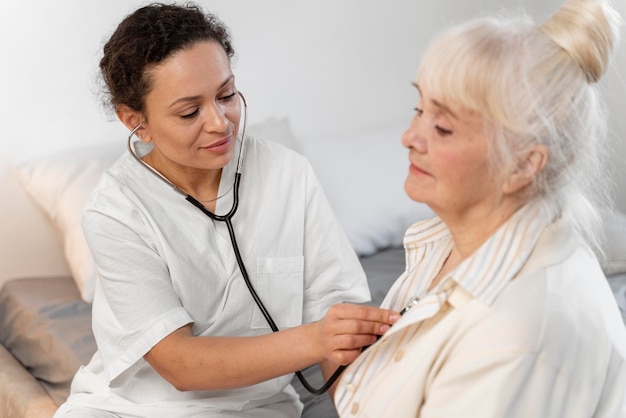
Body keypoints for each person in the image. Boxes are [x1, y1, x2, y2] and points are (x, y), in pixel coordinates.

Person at [54, 3, 398, 417]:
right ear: (135, 120)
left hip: (258, 406)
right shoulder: (114, 211)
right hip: (130, 408)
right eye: (189, 111)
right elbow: (180, 364)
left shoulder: (287, 174)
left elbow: (340, 324)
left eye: (226, 94)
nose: (220, 122)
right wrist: (315, 339)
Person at [334, 0, 626, 416]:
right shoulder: (447, 245)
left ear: (523, 165)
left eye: (442, 127)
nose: (409, 136)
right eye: (419, 108)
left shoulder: (518, 336)